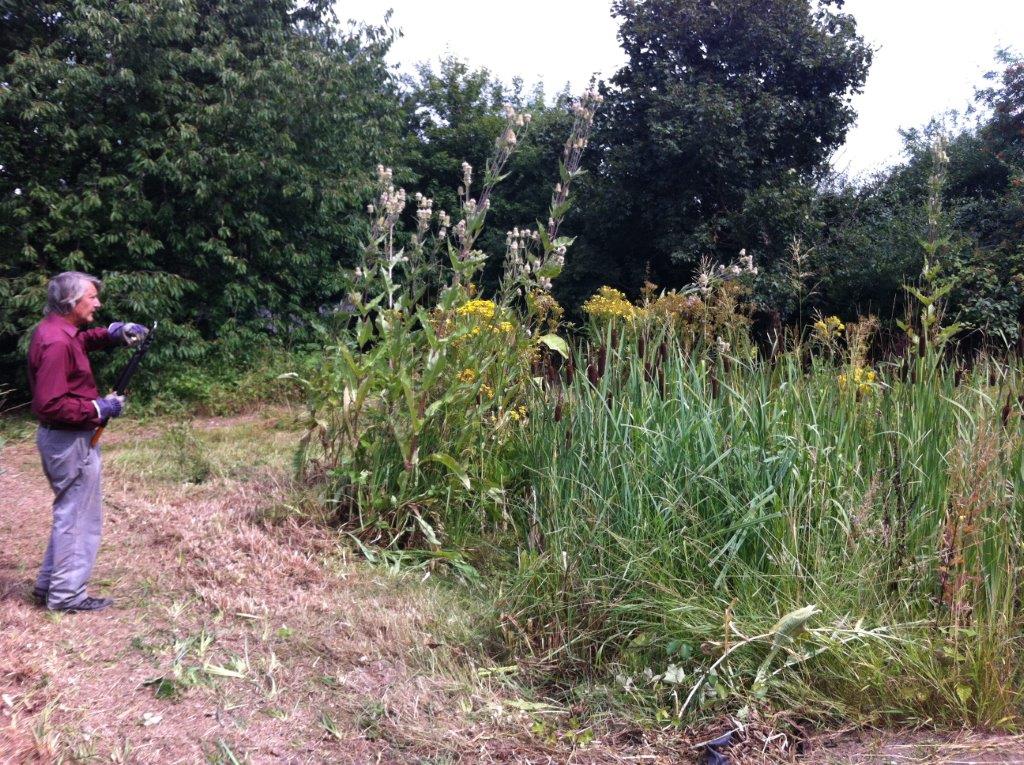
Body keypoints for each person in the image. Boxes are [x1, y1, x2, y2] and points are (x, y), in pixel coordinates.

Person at [27, 271, 148, 612]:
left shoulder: (59, 331)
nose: (98, 303)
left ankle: (50, 585)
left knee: (71, 512)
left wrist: (113, 334)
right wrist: (99, 406)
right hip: (69, 442)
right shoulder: (56, 343)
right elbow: (49, 403)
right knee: (79, 518)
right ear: (71, 302)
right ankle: (66, 596)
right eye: (92, 298)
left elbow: (82, 340)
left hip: (67, 439)